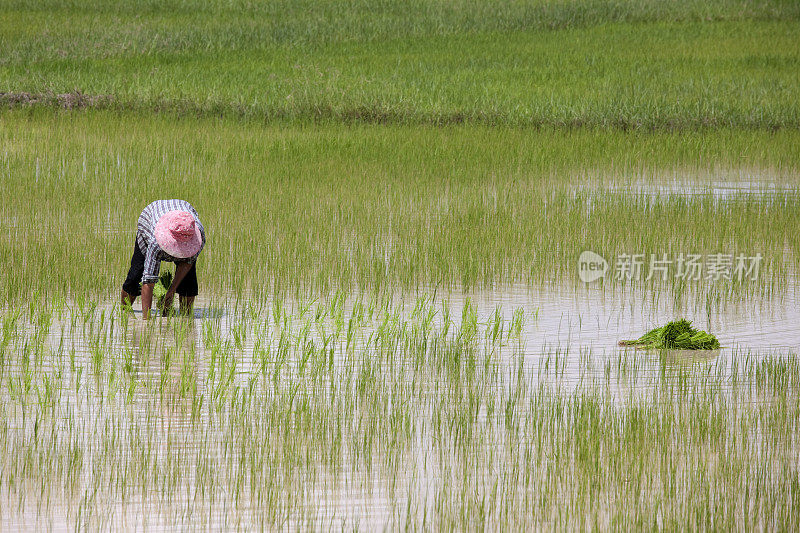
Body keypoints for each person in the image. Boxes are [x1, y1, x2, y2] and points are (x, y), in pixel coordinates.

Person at [121, 199, 206, 319]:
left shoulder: (198, 237)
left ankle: (186, 319)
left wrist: (171, 292)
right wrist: (147, 322)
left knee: (189, 278)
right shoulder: (155, 241)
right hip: (150, 219)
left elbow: (187, 263)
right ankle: (124, 313)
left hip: (183, 215)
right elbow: (148, 282)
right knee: (137, 273)